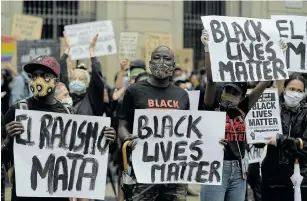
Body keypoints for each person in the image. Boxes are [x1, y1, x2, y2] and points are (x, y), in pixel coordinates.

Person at [3, 56, 117, 201]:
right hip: (26, 193)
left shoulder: (68, 114)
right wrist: (7, 139)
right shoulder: (18, 110)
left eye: (45, 76)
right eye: (34, 76)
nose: (38, 80)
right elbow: (3, 158)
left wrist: (105, 139)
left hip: (58, 193)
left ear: (56, 81)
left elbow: (82, 153)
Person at [199, 29, 270, 201]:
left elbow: (265, 82)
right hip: (215, 168)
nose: (229, 96)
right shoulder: (212, 105)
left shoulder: (243, 108)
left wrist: (277, 57)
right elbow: (211, 79)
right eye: (227, 91)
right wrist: (208, 49)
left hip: (239, 169)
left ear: (242, 96)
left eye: (235, 93)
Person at [118, 46, 190, 201]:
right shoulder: (134, 91)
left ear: (173, 64)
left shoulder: (182, 95)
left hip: (174, 172)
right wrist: (127, 138)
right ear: (150, 63)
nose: (162, 62)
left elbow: (188, 131)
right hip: (144, 170)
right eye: (157, 57)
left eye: (167, 58)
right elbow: (123, 124)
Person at [260, 74, 307, 201]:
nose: (295, 94)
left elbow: (305, 145)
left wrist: (280, 140)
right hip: (272, 178)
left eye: (299, 91)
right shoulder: (272, 109)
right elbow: (258, 142)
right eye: (292, 89)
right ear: (284, 88)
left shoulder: (306, 113)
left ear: (304, 93)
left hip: (299, 179)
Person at [60, 32, 105, 116]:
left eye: (81, 79)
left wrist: (91, 50)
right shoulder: (67, 96)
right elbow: (62, 73)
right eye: (73, 79)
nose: (76, 81)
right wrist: (67, 49)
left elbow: (97, 73)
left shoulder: (92, 98)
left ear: (87, 83)